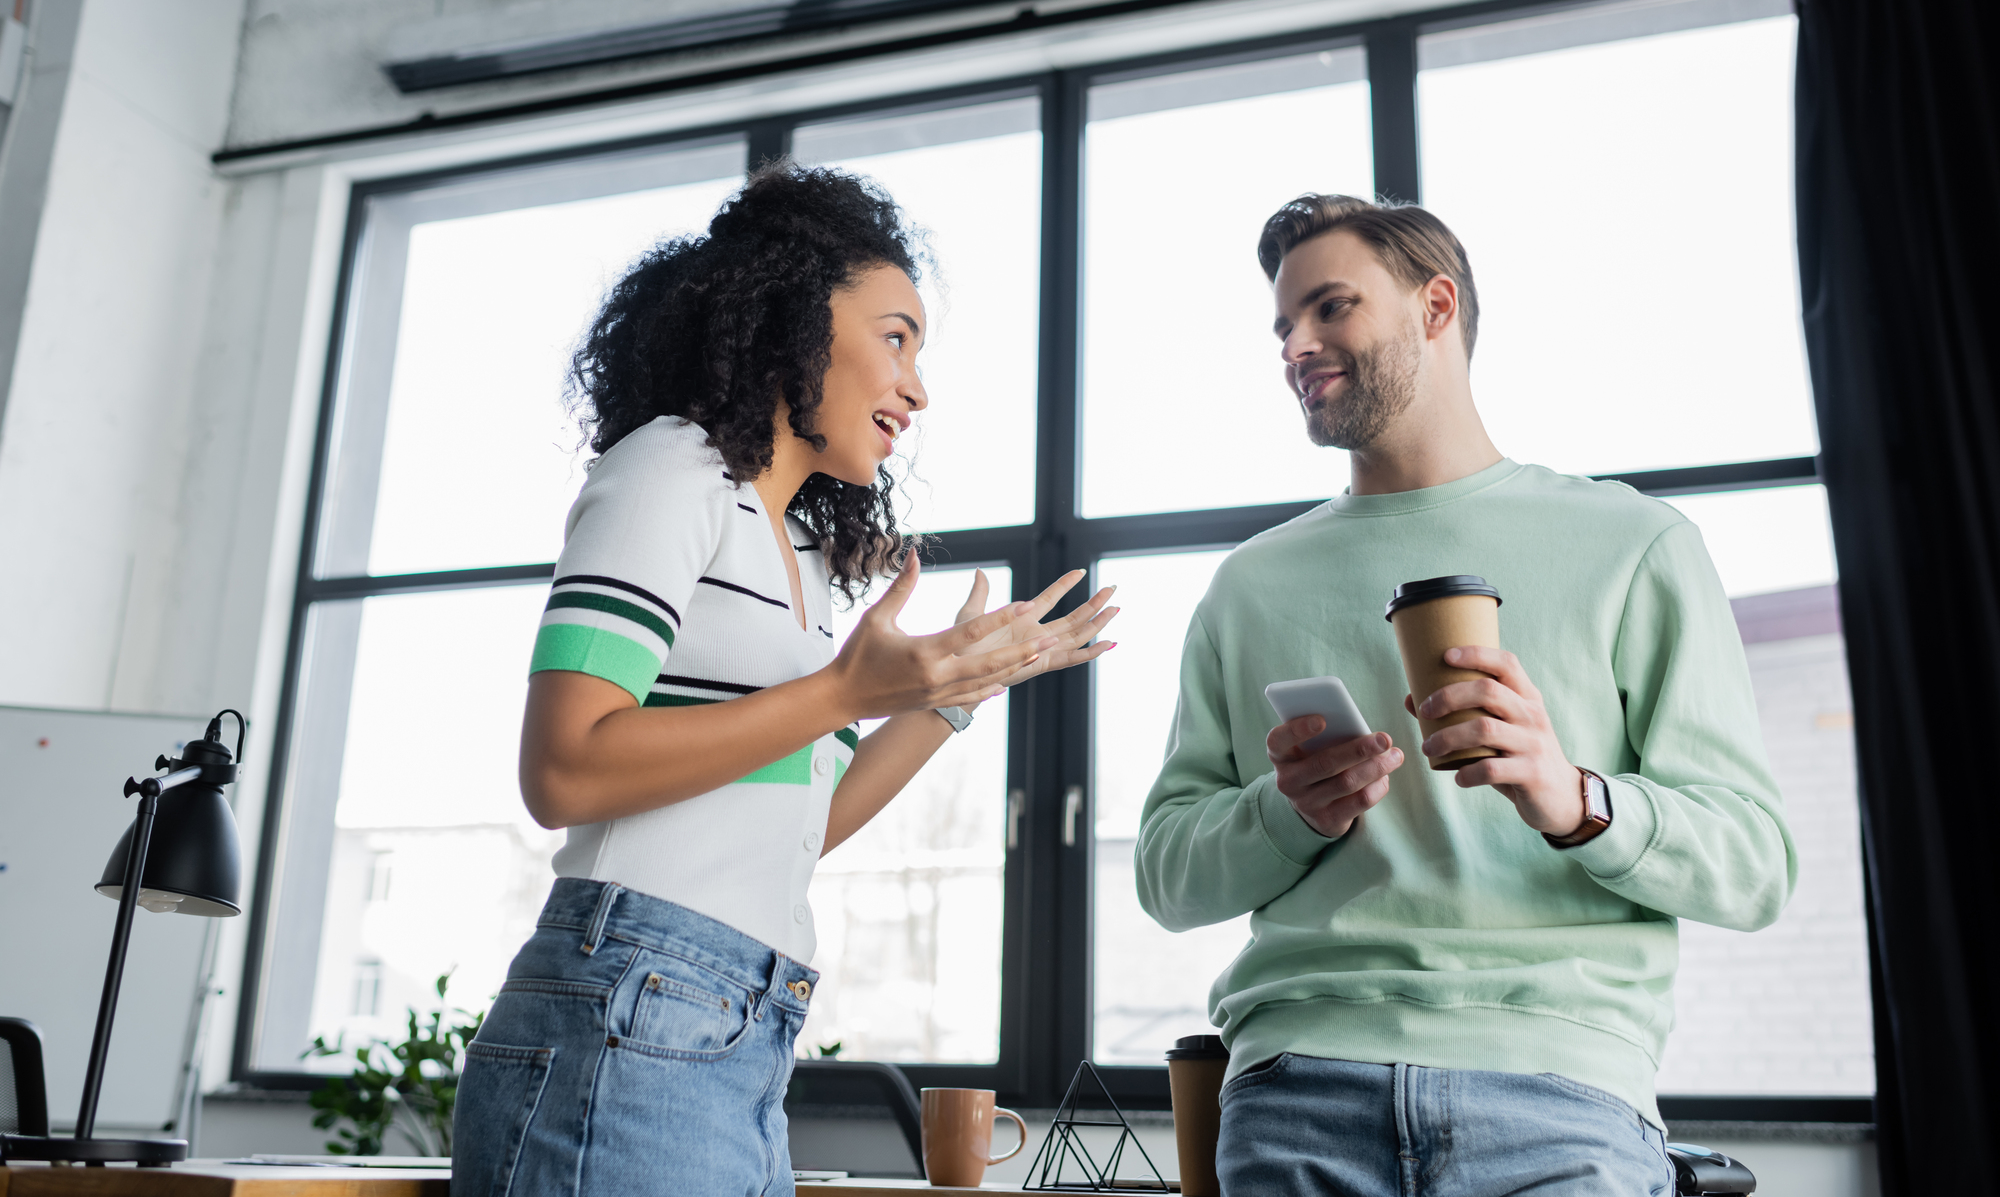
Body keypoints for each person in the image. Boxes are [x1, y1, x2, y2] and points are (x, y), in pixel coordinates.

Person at [451, 164, 1116, 1197]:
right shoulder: (667, 470)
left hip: (733, 1023)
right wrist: (849, 691)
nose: (915, 386)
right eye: (894, 336)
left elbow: (808, 820)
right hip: (630, 1000)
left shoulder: (798, 560)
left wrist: (950, 690)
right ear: (793, 319)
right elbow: (564, 769)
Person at [1134, 194, 1795, 1196]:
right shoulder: (1250, 584)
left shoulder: (1632, 547)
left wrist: (1574, 798)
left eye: (1329, 308)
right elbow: (1165, 877)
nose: (1295, 345)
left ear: (1434, 307)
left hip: (1559, 1098)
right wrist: (1285, 812)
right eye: (1282, 325)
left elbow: (1753, 866)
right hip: (1297, 1093)